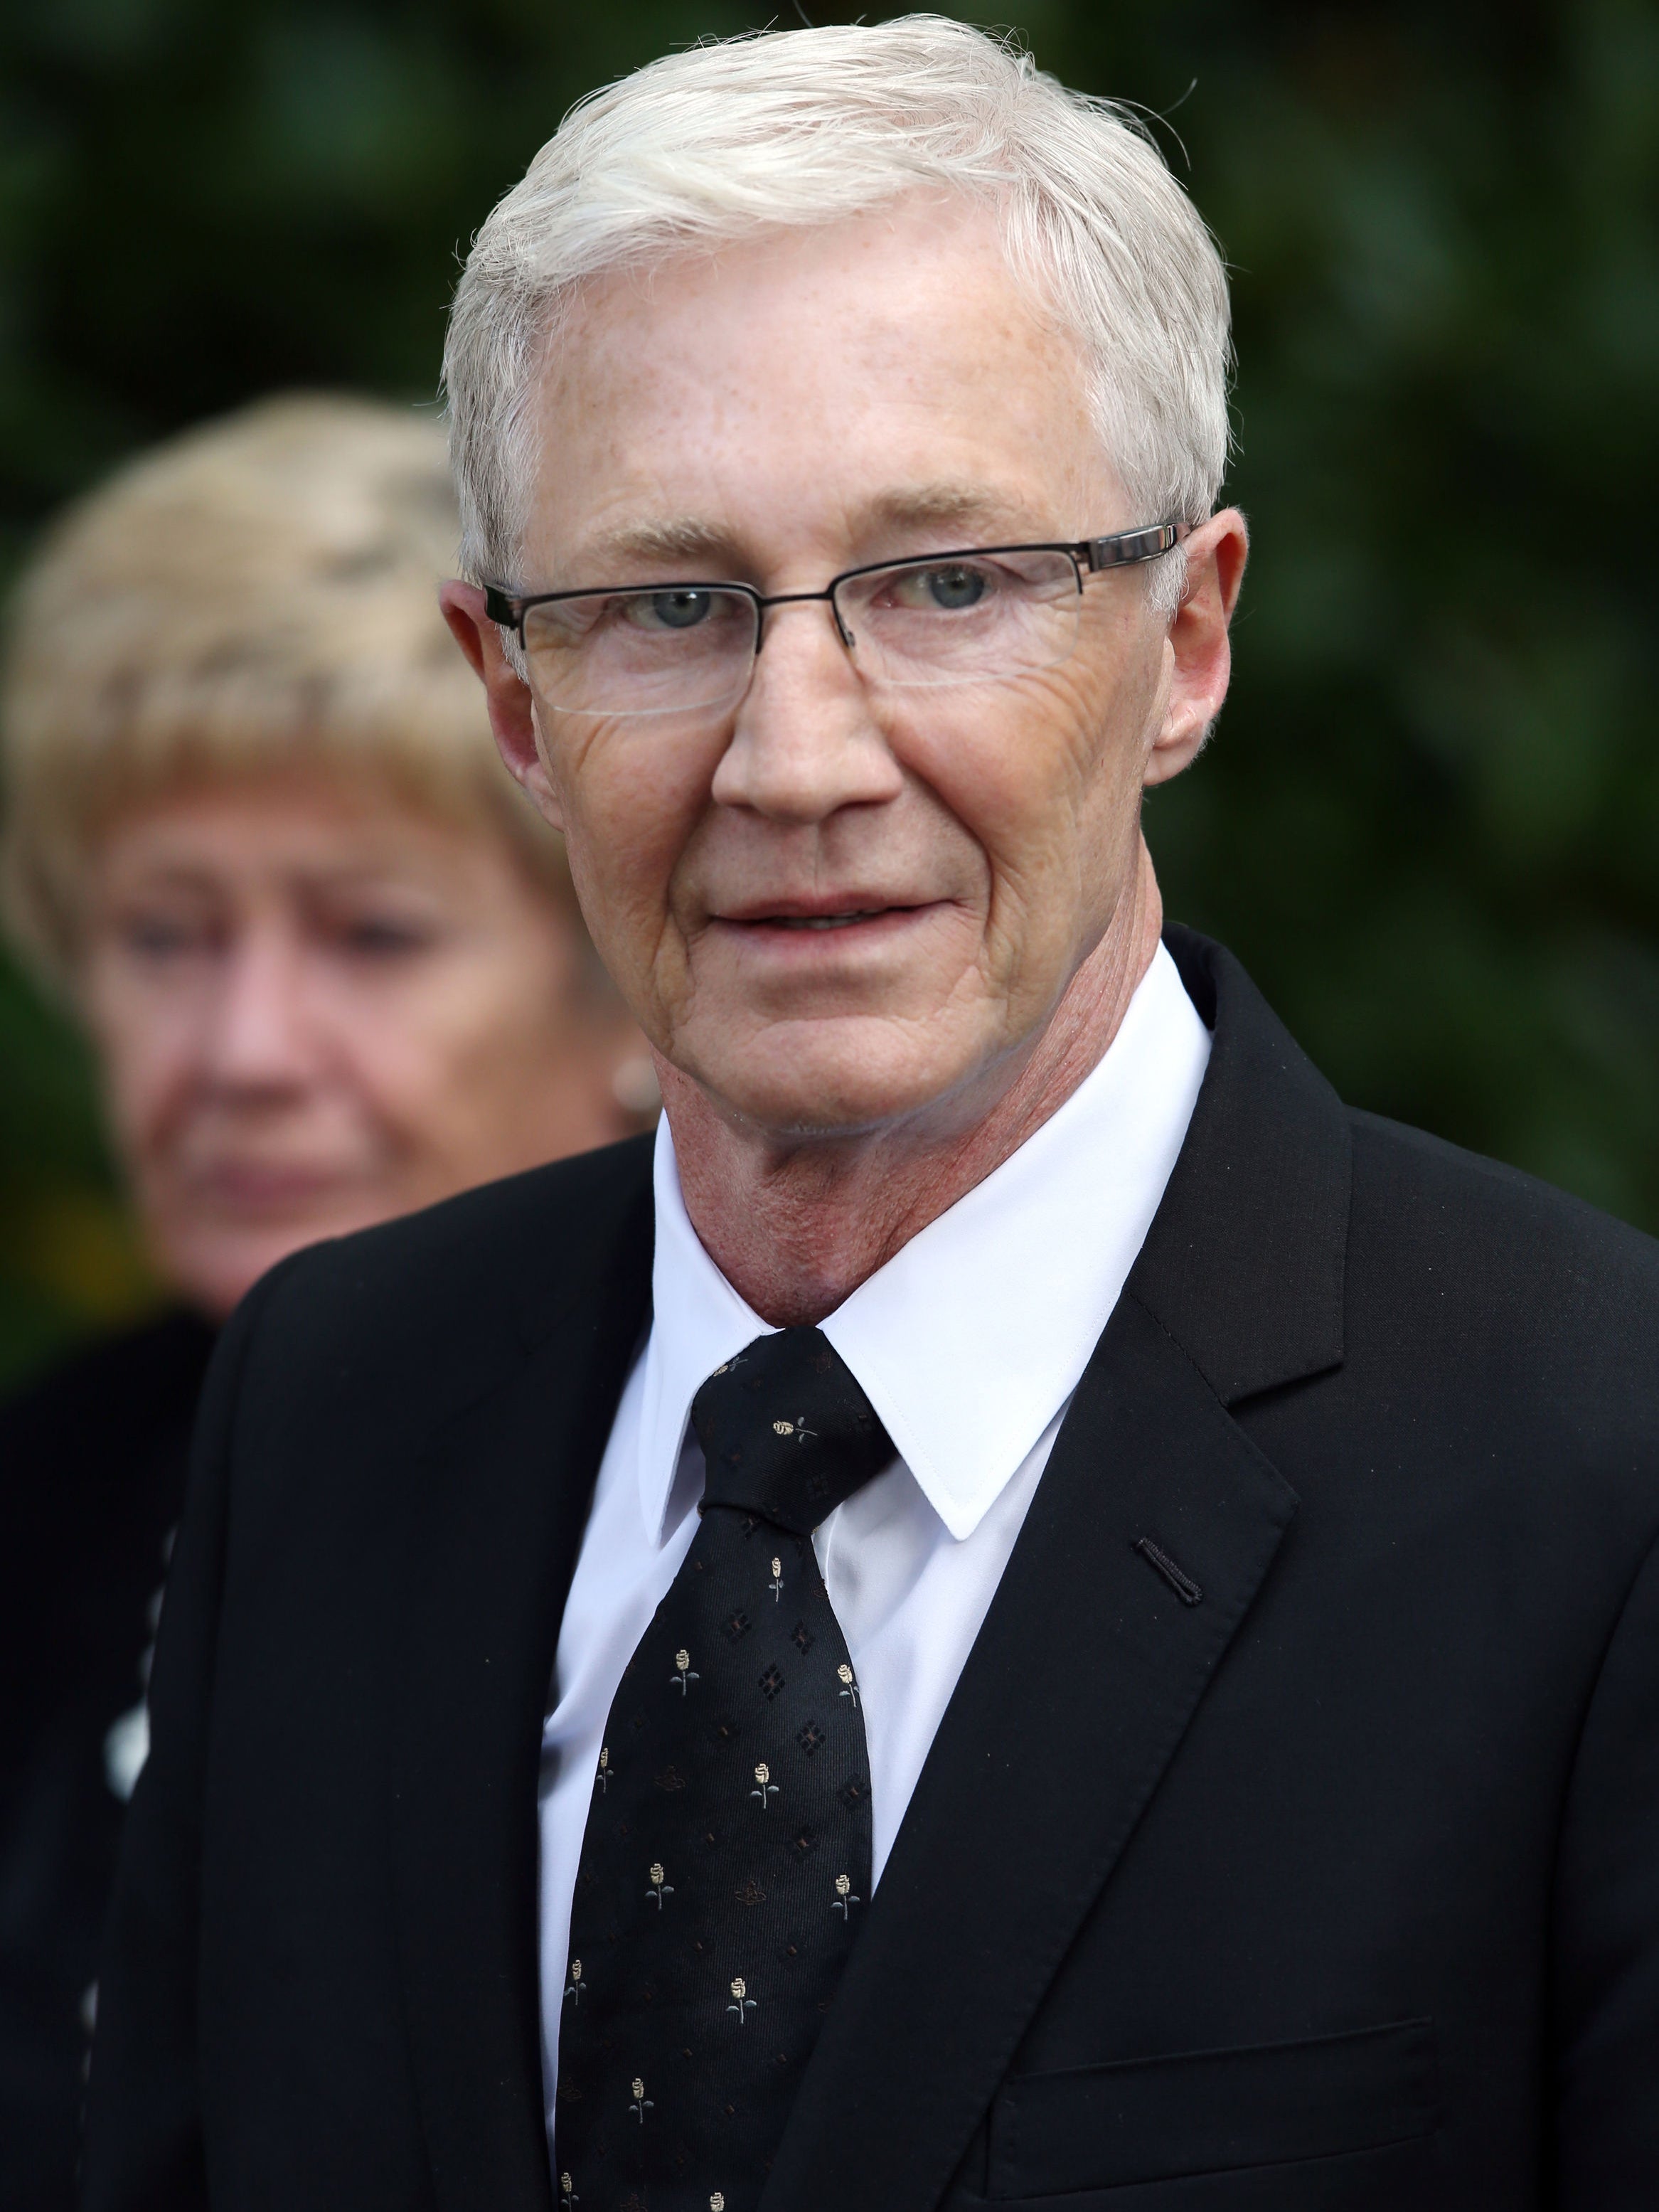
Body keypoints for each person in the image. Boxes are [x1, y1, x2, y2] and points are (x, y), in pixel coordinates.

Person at [83, 21, 1659, 2212]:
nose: (794, 754)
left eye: (944, 584)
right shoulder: (334, 1404)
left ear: (1185, 642)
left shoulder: (1594, 1468)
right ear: (512, 701)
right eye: (668, 604)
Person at [0, 393, 650, 2212]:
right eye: (164, 937)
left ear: (620, 993)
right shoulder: (46, 1494)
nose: (243, 1053)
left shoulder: (759, 1506)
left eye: (370, 935)